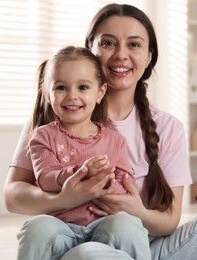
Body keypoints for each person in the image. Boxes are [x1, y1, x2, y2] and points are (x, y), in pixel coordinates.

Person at [4, 3, 197, 260]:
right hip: (77, 246)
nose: (121, 54)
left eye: (134, 44)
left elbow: (169, 221)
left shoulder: (167, 128)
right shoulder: (55, 119)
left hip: (146, 248)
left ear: (149, 57)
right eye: (108, 43)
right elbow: (13, 196)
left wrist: (134, 211)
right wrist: (64, 198)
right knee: (87, 254)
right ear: (90, 50)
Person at [29, 45, 139, 226]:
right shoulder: (43, 136)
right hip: (61, 227)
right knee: (35, 228)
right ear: (47, 94)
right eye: (61, 87)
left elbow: (127, 184)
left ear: (100, 92)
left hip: (103, 225)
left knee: (127, 227)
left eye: (82, 87)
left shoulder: (115, 141)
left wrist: (106, 183)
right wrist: (81, 173)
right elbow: (45, 179)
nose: (72, 95)